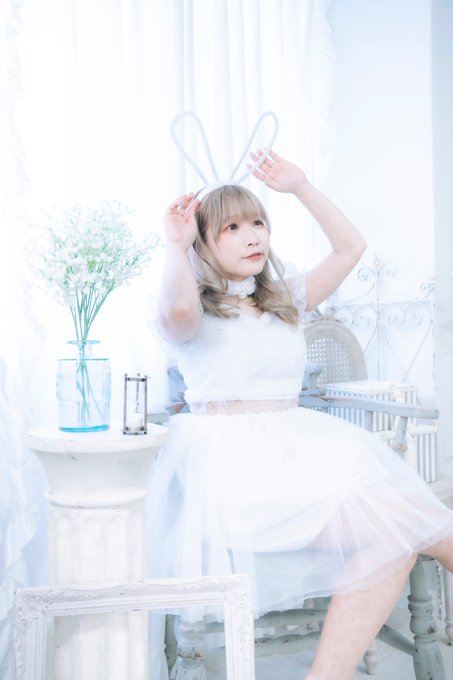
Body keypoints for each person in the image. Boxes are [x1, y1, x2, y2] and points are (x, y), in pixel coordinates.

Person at [150, 149, 453, 680]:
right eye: (232, 228)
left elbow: (351, 248)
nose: (252, 236)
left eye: (258, 223)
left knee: (404, 531)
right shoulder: (191, 307)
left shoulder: (285, 297)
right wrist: (176, 246)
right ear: (203, 242)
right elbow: (175, 314)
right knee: (412, 525)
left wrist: (301, 186)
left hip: (304, 458)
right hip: (239, 474)